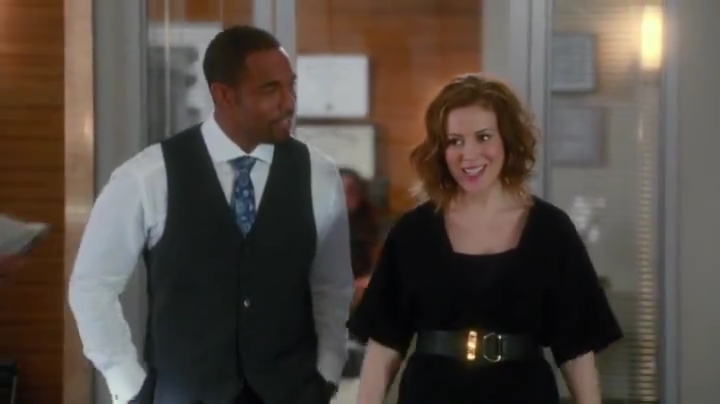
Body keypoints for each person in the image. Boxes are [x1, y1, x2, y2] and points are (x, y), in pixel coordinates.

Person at [69, 25, 353, 404]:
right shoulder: (148, 176)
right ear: (224, 95)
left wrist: (327, 372)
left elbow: (332, 288)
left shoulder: (320, 175)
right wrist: (130, 386)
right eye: (270, 90)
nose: (289, 102)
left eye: (291, 86)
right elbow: (92, 286)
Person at [348, 73, 623, 404]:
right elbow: (383, 347)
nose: (469, 154)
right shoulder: (414, 231)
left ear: (507, 140)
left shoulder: (551, 230)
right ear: (440, 149)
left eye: (483, 137)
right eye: (455, 141)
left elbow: (577, 350)